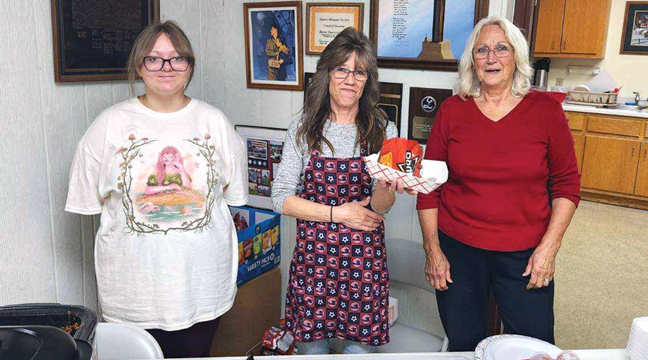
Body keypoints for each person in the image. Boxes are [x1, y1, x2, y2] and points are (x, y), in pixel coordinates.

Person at [65, 21, 247, 358]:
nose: (167, 68)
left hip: (202, 290)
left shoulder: (215, 122)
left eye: (177, 59)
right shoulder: (108, 126)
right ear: (138, 65)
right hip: (133, 295)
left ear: (190, 66)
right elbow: (87, 201)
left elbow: (232, 198)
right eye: (154, 59)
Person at [416, 16, 581, 351]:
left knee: (535, 348)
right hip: (458, 250)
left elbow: (566, 185)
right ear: (472, 62)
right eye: (482, 50)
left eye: (501, 48)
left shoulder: (546, 111)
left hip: (525, 254)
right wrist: (433, 250)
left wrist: (549, 248)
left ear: (516, 56)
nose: (491, 58)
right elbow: (428, 187)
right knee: (464, 343)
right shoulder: (452, 111)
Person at [271, 27, 411, 355]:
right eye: (342, 69)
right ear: (327, 74)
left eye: (359, 71)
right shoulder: (304, 129)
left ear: (368, 79)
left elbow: (381, 205)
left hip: (364, 262)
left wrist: (389, 186)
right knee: (313, 351)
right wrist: (339, 214)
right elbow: (280, 198)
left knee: (358, 353)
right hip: (313, 261)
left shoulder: (383, 129)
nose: (350, 79)